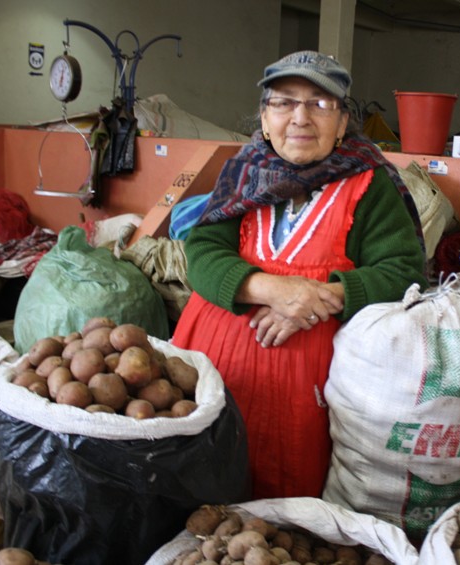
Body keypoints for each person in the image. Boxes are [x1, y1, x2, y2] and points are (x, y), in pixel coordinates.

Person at [171, 50, 428, 500]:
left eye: (320, 103)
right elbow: (204, 252)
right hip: (217, 374)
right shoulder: (243, 172)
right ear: (265, 118)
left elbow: (403, 273)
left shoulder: (372, 183)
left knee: (289, 505)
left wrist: (316, 300)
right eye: (284, 102)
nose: (300, 117)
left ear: (344, 121)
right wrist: (271, 289)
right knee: (205, 487)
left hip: (313, 393)